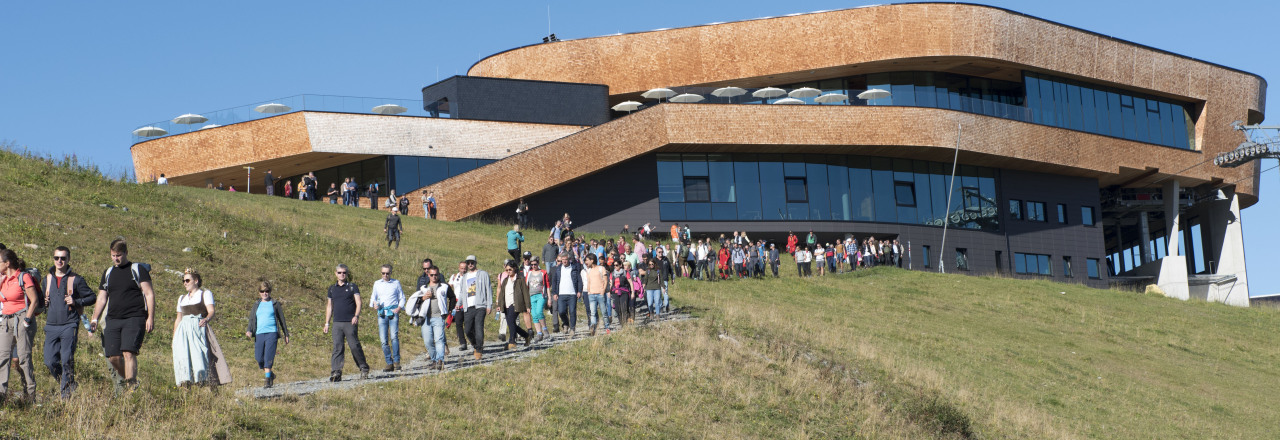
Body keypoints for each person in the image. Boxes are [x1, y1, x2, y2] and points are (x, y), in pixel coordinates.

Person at [88, 239, 155, 392]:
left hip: (134, 317)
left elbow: (149, 294)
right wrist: (94, 318)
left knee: (128, 352)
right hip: (113, 318)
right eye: (113, 255)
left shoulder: (137, 269)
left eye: (118, 255)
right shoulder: (108, 272)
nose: (116, 259)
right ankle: (130, 381)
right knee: (113, 357)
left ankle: (131, 390)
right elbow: (102, 297)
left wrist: (150, 317)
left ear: (126, 253)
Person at [43, 246, 96, 399]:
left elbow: (92, 297)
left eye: (63, 258)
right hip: (51, 325)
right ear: (53, 258)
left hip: (69, 325)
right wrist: (44, 301)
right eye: (56, 258)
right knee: (49, 361)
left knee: (67, 359)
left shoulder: (77, 279)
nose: (59, 261)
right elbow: (41, 301)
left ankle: (66, 396)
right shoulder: (47, 279)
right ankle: (69, 383)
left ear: (68, 260)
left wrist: (76, 301)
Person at [171, 268, 231, 388]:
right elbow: (178, 318)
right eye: (183, 281)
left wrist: (206, 319)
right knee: (183, 356)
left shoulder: (204, 294)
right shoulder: (182, 298)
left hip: (197, 329)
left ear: (196, 280)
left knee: (200, 356)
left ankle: (203, 383)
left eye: (187, 280)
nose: (185, 283)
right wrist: (174, 338)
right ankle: (186, 385)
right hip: (183, 332)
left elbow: (211, 311)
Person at [0, 249, 39, 400]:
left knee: (23, 358)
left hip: (22, 318)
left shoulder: (24, 277)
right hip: (6, 320)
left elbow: (34, 300)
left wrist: (27, 320)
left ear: (7, 263)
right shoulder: (3, 279)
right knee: (2, 357)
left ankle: (30, 394)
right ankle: (1, 395)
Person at [323, 264, 369, 382]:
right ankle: (336, 372)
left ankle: (363, 368)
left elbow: (358, 302)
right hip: (337, 322)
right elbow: (329, 306)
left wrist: (356, 316)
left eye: (344, 272)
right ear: (335, 273)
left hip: (350, 322)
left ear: (347, 274)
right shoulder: (332, 289)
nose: (342, 274)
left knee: (354, 346)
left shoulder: (352, 287)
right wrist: (327, 323)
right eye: (339, 272)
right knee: (338, 347)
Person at [245, 280, 289, 389]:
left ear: (270, 292)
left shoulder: (275, 304)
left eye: (267, 291)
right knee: (259, 358)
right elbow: (252, 319)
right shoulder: (256, 304)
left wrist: (286, 334)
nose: (265, 293)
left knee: (268, 356)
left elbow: (282, 320)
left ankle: (267, 380)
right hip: (259, 333)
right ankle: (271, 374)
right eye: (262, 291)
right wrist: (249, 330)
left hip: (272, 332)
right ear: (259, 292)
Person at [408, 266, 450, 370]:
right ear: (428, 275)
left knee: (439, 340)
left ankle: (440, 361)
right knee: (428, 341)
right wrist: (423, 298)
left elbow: (452, 297)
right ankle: (435, 360)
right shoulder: (423, 288)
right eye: (432, 275)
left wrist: (449, 310)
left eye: (436, 275)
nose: (434, 277)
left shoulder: (444, 286)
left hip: (439, 317)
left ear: (439, 275)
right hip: (425, 318)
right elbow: (417, 301)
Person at [369, 264, 405, 372]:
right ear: (381, 273)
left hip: (393, 313)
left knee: (394, 337)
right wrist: (374, 304)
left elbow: (402, 297)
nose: (385, 275)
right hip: (382, 313)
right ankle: (389, 362)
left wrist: (399, 307)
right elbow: (373, 297)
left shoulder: (396, 283)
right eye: (383, 273)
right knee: (383, 340)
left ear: (391, 273)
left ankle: (397, 361)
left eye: (387, 273)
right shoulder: (377, 284)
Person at [457, 256, 492, 361]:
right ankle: (475, 345)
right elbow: (462, 292)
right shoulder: (465, 277)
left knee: (478, 328)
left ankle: (479, 350)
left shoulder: (483, 274)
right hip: (468, 307)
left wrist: (489, 305)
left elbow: (488, 290)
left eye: (472, 262)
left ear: (475, 263)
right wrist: (459, 303)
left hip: (480, 306)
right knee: (467, 330)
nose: (470, 264)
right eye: (468, 263)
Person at [496, 261, 533, 350]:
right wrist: (499, 304)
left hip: (515, 303)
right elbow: (501, 293)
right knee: (511, 323)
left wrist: (528, 305)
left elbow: (525, 293)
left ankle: (512, 341)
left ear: (515, 269)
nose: (508, 271)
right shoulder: (505, 280)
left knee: (511, 321)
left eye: (510, 269)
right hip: (506, 304)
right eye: (507, 270)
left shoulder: (520, 279)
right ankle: (526, 335)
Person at [548, 252, 582, 337]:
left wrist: (579, 291)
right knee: (561, 311)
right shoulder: (558, 269)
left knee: (572, 311)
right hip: (561, 294)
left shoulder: (574, 268)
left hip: (572, 293)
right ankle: (566, 323)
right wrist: (555, 293)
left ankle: (572, 328)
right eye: (562, 260)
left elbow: (579, 280)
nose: (564, 261)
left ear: (569, 259)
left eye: (565, 260)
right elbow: (554, 281)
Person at [581, 254, 609, 336]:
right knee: (592, 313)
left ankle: (607, 327)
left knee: (604, 312)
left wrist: (603, 291)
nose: (586, 262)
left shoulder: (601, 268)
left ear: (592, 260)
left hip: (600, 294)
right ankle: (593, 328)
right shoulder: (588, 270)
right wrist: (589, 291)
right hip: (591, 294)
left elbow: (605, 280)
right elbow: (589, 282)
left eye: (587, 260)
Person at [525, 257, 549, 342]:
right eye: (532, 264)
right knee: (534, 314)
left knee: (539, 312)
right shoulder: (529, 273)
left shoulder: (543, 273)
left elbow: (547, 286)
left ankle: (545, 329)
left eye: (535, 264)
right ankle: (539, 333)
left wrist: (548, 298)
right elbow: (526, 286)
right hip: (531, 296)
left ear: (538, 263)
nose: (533, 266)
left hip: (540, 295)